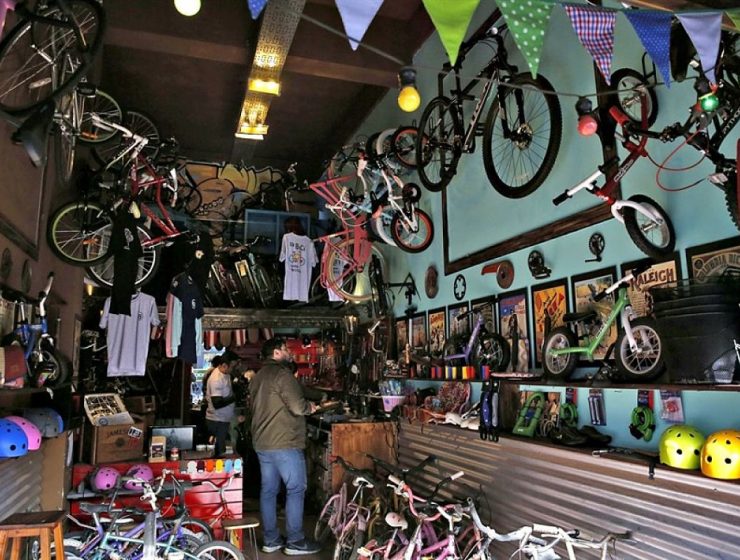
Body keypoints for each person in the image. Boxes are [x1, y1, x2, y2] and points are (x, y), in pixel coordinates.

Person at [250, 338, 320, 556]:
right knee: (295, 489)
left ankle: (271, 540)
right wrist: (312, 407)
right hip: (284, 442)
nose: (289, 352)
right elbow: (298, 407)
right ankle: (296, 541)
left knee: (269, 491)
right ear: (277, 352)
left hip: (262, 442)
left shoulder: (258, 376)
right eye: (286, 349)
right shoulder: (283, 375)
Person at [205, 354, 237, 456]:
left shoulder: (226, 374)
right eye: (233, 366)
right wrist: (235, 397)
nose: (234, 369)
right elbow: (217, 403)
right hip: (217, 421)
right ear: (224, 365)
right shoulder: (216, 379)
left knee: (223, 450)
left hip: (223, 419)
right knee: (219, 452)